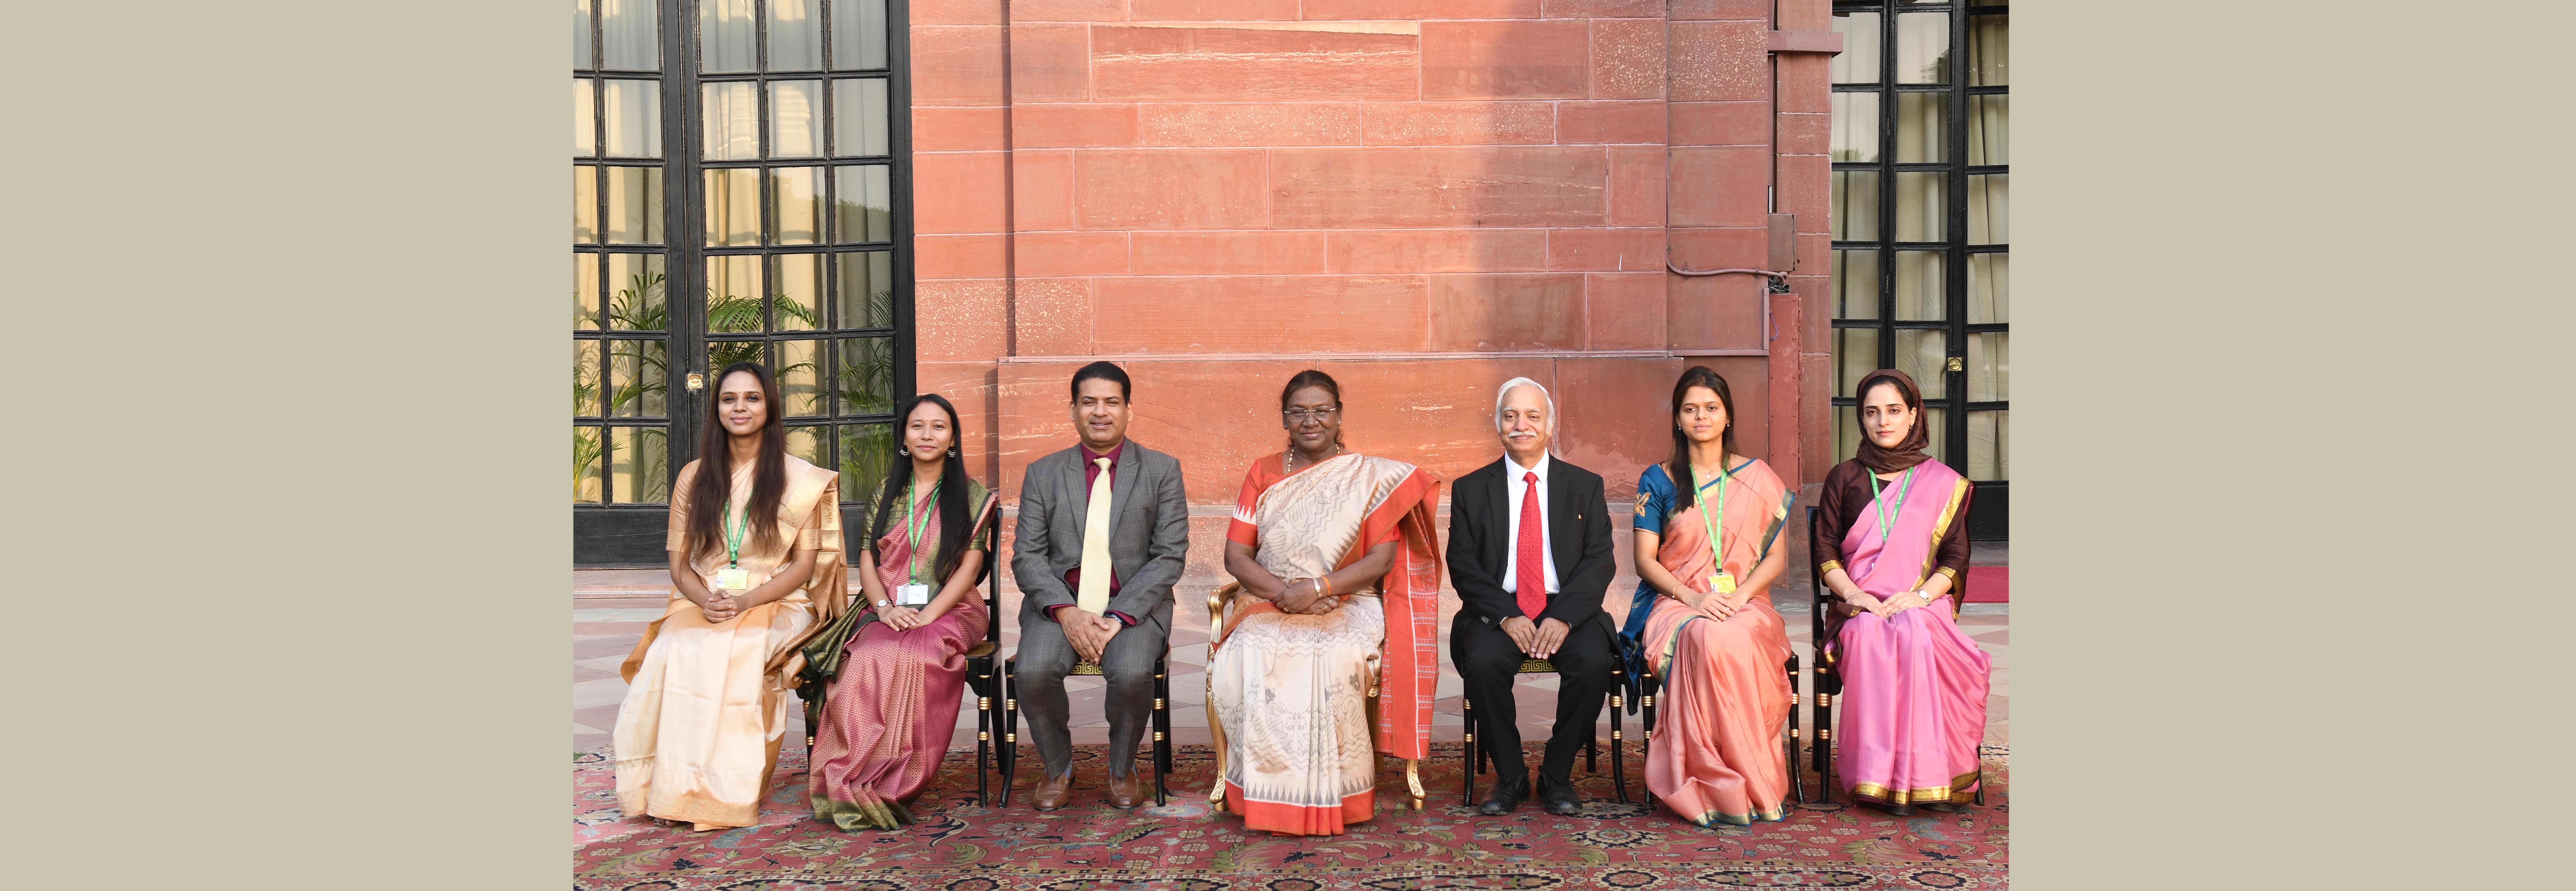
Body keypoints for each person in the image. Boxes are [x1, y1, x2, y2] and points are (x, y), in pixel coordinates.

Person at [1207, 369, 1445, 836]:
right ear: (1284, 418)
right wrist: (1284, 593)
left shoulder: (1369, 478)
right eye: (1299, 412)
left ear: (1339, 417)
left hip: (1347, 598)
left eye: (1322, 411)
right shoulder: (1263, 471)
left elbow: (1381, 559)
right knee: (1249, 655)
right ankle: (1264, 792)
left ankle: (1340, 792)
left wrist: (1318, 589)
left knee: (1334, 657)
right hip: (1270, 594)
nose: (1310, 421)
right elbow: (1236, 555)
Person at [614, 361, 848, 830]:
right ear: (717, 409)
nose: (740, 407)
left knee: (739, 650)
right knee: (674, 649)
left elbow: (803, 568)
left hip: (780, 599)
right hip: (704, 596)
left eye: (752, 398)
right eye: (729, 399)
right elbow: (680, 565)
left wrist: (746, 601)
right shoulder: (694, 476)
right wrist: (705, 600)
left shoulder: (800, 479)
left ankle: (724, 793)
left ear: (770, 406)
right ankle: (670, 788)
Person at [806, 394, 1001, 830]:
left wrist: (930, 614)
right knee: (867, 657)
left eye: (938, 427)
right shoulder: (886, 494)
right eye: (918, 426)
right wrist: (884, 608)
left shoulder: (971, 496)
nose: (927, 435)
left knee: (918, 654)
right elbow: (868, 560)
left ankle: (897, 780)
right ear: (904, 438)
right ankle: (853, 776)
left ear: (953, 439)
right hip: (890, 608)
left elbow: (971, 566)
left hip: (953, 609)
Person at [1008, 361, 1192, 810]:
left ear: (1129, 409)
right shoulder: (1044, 473)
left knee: (1131, 673)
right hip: (1060, 606)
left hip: (1133, 608)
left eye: (1112, 402)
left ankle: (1122, 767)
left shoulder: (1162, 470)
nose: (1100, 412)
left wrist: (1118, 617)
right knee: (1031, 671)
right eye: (1089, 402)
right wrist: (1066, 613)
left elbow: (1169, 555)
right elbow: (1026, 556)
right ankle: (1058, 767)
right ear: (1073, 410)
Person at [1621, 365, 1797, 827]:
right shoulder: (1658, 481)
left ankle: (1747, 777)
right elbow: (1646, 561)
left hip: (1746, 602)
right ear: (1678, 419)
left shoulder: (1757, 476)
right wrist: (1694, 600)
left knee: (1733, 638)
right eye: (1691, 409)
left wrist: (1738, 598)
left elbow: (1775, 561)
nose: (1701, 417)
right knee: (1708, 638)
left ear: (1727, 416)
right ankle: (1711, 779)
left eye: (1711, 408)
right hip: (1677, 603)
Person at [1814, 368, 1988, 815]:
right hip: (1859, 606)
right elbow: (1825, 551)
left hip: (1921, 603)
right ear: (1861, 418)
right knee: (1873, 637)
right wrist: (1854, 595)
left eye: (1894, 411)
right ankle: (1874, 777)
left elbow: (1954, 557)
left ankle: (1925, 775)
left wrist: (1922, 597)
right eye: (1871, 413)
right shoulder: (1845, 478)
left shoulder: (1943, 483)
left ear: (1914, 415)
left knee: (1913, 630)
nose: (1883, 422)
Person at [1444, 377, 1619, 816]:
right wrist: (1506, 617)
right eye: (1511, 416)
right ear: (1498, 424)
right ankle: (1511, 777)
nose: (1521, 425)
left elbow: (1600, 561)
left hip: (1568, 612)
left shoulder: (1585, 485)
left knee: (1594, 662)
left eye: (1532, 416)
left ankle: (1557, 775)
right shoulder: (1470, 488)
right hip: (1497, 613)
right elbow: (1463, 564)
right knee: (1483, 663)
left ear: (1551, 425)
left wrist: (1562, 619)